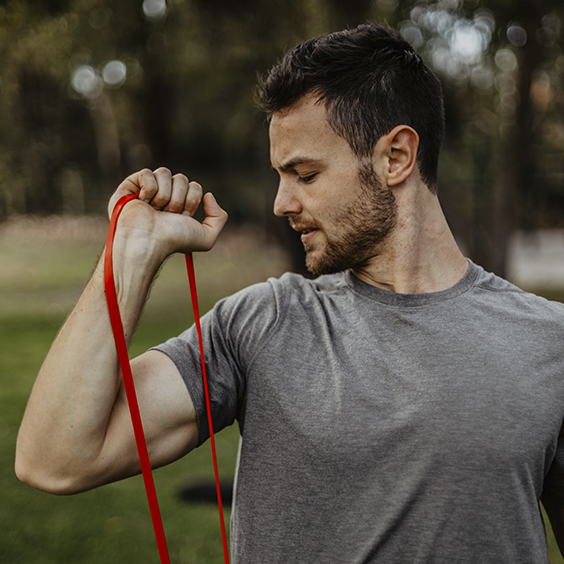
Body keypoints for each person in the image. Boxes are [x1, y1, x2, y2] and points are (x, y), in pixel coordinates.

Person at [15, 22, 564, 563]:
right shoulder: (261, 324)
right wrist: (129, 257)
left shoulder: (549, 343)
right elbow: (56, 458)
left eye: (305, 174)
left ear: (396, 156)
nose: (281, 204)